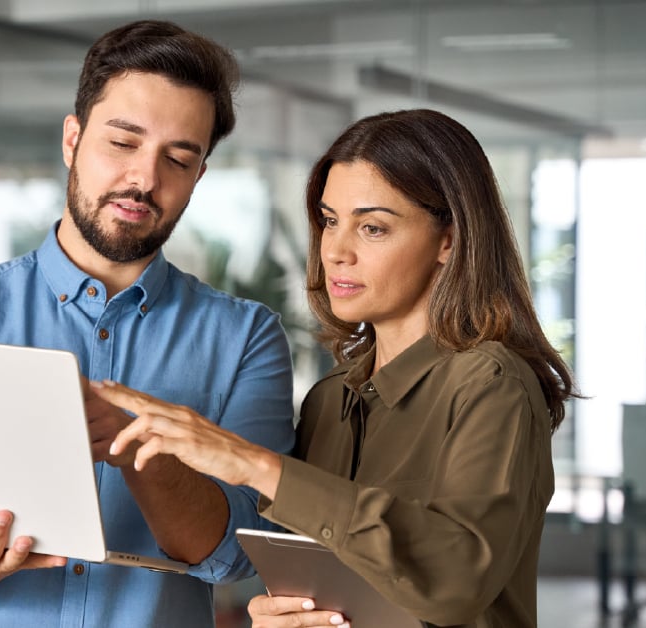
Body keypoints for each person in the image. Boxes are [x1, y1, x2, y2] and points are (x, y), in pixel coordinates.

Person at [0, 19, 297, 628]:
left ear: (198, 176)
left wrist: (131, 442)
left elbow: (236, 552)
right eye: (123, 142)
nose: (145, 178)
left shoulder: (246, 337)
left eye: (178, 158)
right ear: (72, 139)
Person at [96, 108, 578, 628]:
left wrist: (255, 465)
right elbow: (326, 585)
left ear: (449, 240)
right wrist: (282, 613)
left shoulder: (492, 384)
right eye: (329, 221)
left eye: (372, 227)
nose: (337, 252)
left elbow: (457, 579)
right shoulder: (329, 401)